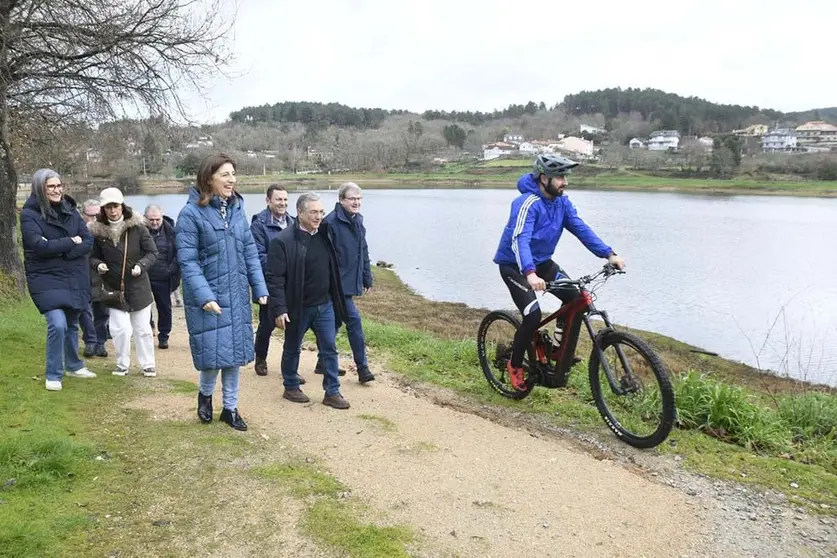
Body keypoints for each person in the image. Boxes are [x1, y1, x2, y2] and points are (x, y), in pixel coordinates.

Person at [493, 154, 625, 391]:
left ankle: (557, 349)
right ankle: (514, 365)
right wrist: (530, 274)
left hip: (542, 262)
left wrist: (609, 254)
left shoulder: (562, 203)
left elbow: (581, 228)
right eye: (560, 177)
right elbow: (520, 239)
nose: (565, 182)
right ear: (544, 178)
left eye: (565, 176)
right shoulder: (527, 203)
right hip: (515, 265)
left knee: (575, 298)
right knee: (532, 316)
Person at [176, 153, 268, 431]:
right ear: (208, 178)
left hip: (237, 293)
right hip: (210, 297)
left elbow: (250, 252)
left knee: (235, 355)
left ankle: (230, 408)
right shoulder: (190, 214)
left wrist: (259, 288)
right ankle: (205, 396)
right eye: (225, 175)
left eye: (233, 174)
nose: (232, 180)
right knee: (213, 355)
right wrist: (205, 297)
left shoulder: (238, 209)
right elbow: (188, 261)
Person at [266, 192, 350, 410]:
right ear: (299, 212)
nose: (319, 216)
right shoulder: (282, 241)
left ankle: (332, 391)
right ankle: (291, 386)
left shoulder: (325, 234)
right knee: (293, 347)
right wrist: (280, 309)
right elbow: (275, 279)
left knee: (329, 348)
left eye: (321, 212)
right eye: (313, 212)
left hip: (325, 304)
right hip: (298, 306)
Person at [20, 169, 97, 391]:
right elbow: (39, 246)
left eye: (59, 185)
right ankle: (53, 374)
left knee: (72, 322)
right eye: (51, 187)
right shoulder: (29, 215)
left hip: (72, 275)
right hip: (44, 278)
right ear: (40, 189)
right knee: (58, 323)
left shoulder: (70, 210)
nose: (57, 190)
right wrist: (71, 241)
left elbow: (87, 240)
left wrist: (64, 250)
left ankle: (73, 365)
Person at [89, 187, 159, 377]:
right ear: (103, 209)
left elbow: (152, 253)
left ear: (122, 206)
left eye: (116, 206)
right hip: (113, 287)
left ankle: (148, 364)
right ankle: (122, 364)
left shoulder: (137, 227)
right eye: (108, 207)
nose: (113, 210)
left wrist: (141, 266)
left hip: (138, 286)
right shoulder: (97, 232)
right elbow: (92, 257)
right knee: (119, 329)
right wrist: (98, 265)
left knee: (143, 329)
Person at [315, 182, 375, 383]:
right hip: (334, 286)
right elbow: (320, 257)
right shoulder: (329, 223)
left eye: (359, 198)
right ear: (341, 200)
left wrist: (367, 276)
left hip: (348, 285)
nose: (357, 202)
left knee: (335, 322)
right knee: (354, 321)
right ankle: (362, 368)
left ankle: (323, 361)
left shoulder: (358, 221)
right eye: (352, 199)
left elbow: (363, 251)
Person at [249, 183, 299, 378]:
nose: (283, 203)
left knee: (294, 326)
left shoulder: (294, 223)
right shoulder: (258, 225)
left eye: (285, 199)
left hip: (292, 284)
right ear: (268, 200)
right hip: (269, 283)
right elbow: (257, 256)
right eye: (279, 199)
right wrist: (283, 266)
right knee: (267, 325)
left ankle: (290, 368)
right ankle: (260, 357)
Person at [144, 205, 180, 349]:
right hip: (144, 276)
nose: (154, 222)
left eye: (157, 219)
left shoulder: (172, 232)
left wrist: (171, 270)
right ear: (145, 217)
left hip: (164, 276)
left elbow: (179, 253)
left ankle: (164, 335)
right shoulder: (139, 232)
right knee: (144, 307)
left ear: (162, 216)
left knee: (165, 308)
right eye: (151, 219)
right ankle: (148, 329)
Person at [78, 198, 110, 358]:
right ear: (83, 215)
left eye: (97, 215)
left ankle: (100, 343)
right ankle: (90, 341)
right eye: (90, 215)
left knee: (103, 312)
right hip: (82, 277)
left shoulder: (107, 231)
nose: (94, 219)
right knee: (85, 311)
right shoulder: (77, 230)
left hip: (102, 278)